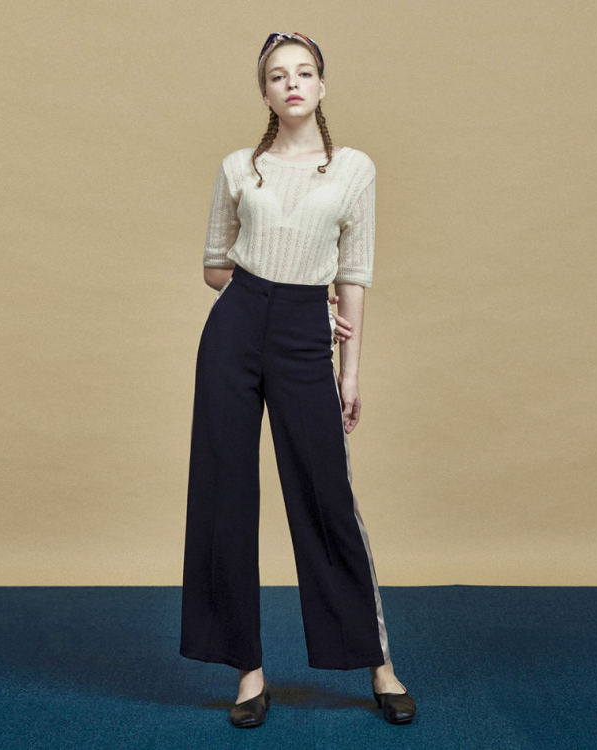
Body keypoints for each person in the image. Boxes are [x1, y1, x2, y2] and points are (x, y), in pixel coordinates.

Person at [179, 31, 416, 727]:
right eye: (278, 75)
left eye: (304, 73)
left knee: (325, 491)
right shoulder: (238, 167)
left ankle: (378, 663)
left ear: (321, 86)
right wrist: (262, 294)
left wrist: (350, 370)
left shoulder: (354, 169)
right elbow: (214, 266)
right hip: (235, 327)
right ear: (265, 92)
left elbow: (354, 275)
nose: (292, 83)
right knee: (224, 491)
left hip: (306, 332)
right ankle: (247, 671)